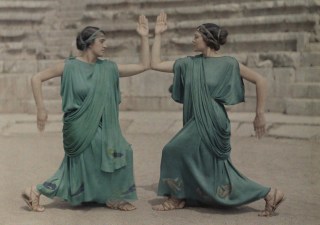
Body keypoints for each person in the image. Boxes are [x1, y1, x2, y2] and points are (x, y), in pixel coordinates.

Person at [150, 12, 285, 217]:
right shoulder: (189, 63)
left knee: (172, 150)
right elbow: (155, 64)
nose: (192, 40)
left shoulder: (229, 63)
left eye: (196, 36)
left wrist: (259, 114)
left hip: (213, 120)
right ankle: (270, 194)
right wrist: (158, 35)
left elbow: (261, 81)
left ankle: (177, 198)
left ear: (207, 38)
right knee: (216, 170)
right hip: (197, 119)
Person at [21, 15, 150, 212]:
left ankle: (36, 191)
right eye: (102, 41)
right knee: (114, 151)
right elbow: (36, 78)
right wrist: (41, 109)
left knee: (103, 156)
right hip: (78, 125)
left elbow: (143, 66)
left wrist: (143, 37)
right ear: (90, 44)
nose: (105, 45)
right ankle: (112, 197)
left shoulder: (108, 68)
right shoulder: (69, 66)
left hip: (99, 125)